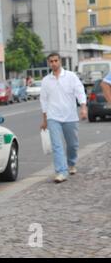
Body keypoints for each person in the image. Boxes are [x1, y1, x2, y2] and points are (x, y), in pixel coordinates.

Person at [40, 53, 87, 183]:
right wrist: (44, 119)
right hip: (53, 117)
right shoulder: (46, 81)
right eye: (51, 61)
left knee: (72, 144)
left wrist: (83, 107)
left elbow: (80, 91)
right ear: (48, 63)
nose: (53, 63)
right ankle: (61, 171)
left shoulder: (71, 77)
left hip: (70, 116)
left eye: (56, 61)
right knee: (57, 145)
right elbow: (43, 101)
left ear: (60, 61)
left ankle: (71, 163)